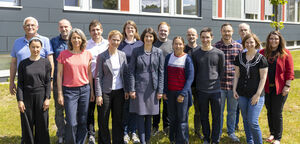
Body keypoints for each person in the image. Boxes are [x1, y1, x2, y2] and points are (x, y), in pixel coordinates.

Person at [57, 28, 94, 144]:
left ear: (82, 40)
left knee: (83, 120)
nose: (76, 40)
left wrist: (92, 91)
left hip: (85, 90)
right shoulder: (63, 54)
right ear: (70, 40)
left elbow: (89, 73)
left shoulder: (87, 54)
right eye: (74, 38)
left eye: (78, 38)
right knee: (72, 122)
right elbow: (59, 74)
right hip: (69, 91)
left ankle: (80, 142)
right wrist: (60, 93)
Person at [128, 27, 164, 144]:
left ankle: (147, 139)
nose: (148, 38)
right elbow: (131, 71)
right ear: (143, 38)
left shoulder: (158, 52)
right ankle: (142, 140)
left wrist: (160, 90)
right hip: (139, 88)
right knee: (140, 114)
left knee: (149, 115)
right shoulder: (136, 51)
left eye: (151, 36)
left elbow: (161, 72)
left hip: (152, 88)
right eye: (146, 36)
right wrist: (132, 89)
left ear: (154, 38)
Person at [233, 33, 268, 144]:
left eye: (251, 42)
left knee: (253, 121)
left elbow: (263, 78)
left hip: (256, 95)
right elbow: (237, 75)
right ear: (244, 44)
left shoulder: (261, 59)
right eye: (247, 42)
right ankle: (250, 141)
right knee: (246, 120)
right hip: (242, 94)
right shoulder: (239, 57)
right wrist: (234, 90)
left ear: (256, 43)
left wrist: (257, 94)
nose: (249, 44)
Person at [261, 31, 294, 144]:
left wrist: (287, 86)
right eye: (271, 38)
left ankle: (278, 138)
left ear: (280, 40)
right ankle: (272, 133)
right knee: (269, 111)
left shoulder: (285, 53)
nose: (273, 41)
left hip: (280, 88)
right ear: (268, 40)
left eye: (276, 39)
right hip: (266, 88)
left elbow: (290, 72)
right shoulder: (262, 52)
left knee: (277, 112)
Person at [193, 27, 225, 144]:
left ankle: (215, 139)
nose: (205, 39)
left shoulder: (219, 53)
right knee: (204, 116)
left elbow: (221, 71)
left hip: (216, 90)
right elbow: (195, 72)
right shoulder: (196, 54)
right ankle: (207, 137)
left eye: (207, 37)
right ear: (200, 38)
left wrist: (216, 83)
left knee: (217, 117)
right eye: (203, 37)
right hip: (201, 90)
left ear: (212, 38)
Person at [95, 30, 127, 144]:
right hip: (105, 92)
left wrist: (126, 90)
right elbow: (98, 76)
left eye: (118, 40)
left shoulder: (122, 55)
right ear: (109, 40)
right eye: (114, 39)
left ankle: (118, 141)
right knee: (103, 119)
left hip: (119, 91)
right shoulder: (102, 56)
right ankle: (105, 141)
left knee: (118, 119)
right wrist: (98, 95)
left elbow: (125, 74)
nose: (116, 42)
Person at [17, 37, 51, 144]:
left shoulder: (45, 62)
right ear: (29, 47)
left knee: (42, 124)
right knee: (27, 124)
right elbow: (20, 83)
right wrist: (20, 100)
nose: (35, 49)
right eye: (33, 47)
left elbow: (48, 82)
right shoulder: (23, 63)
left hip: (41, 96)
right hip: (27, 96)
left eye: (37, 47)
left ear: (41, 48)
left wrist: (47, 98)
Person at [10, 16, 54, 96]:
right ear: (24, 27)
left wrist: (50, 80)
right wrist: (11, 81)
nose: (30, 27)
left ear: (37, 27)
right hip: (23, 82)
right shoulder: (17, 42)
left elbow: (50, 62)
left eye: (33, 25)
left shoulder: (45, 41)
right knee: (23, 106)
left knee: (42, 107)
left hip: (41, 83)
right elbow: (13, 63)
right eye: (27, 25)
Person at [214, 23, 242, 142]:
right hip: (219, 85)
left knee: (232, 111)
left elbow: (241, 66)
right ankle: (218, 132)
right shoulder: (215, 46)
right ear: (221, 31)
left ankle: (231, 132)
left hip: (233, 86)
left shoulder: (238, 47)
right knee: (218, 112)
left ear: (232, 32)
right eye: (225, 31)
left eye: (229, 31)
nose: (227, 33)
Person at [164, 36, 194, 143]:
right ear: (172, 45)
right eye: (176, 44)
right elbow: (165, 76)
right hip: (170, 93)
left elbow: (190, 78)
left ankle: (182, 140)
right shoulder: (168, 57)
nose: (178, 46)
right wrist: (165, 91)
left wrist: (183, 94)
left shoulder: (187, 58)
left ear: (183, 45)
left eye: (180, 44)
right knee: (172, 118)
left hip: (182, 94)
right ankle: (173, 139)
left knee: (182, 119)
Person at [118, 20, 143, 144]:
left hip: (138, 81)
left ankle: (134, 131)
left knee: (136, 108)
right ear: (125, 30)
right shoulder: (120, 45)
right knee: (126, 108)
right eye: (128, 28)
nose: (130, 30)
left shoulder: (140, 44)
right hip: (124, 81)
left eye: (132, 28)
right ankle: (125, 132)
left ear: (135, 30)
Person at [86, 19, 109, 144]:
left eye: (98, 29)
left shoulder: (107, 44)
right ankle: (90, 134)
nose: (96, 32)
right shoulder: (86, 44)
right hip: (89, 80)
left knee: (102, 110)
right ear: (90, 32)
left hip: (104, 81)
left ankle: (102, 133)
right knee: (89, 109)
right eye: (93, 30)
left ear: (102, 30)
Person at [50, 18, 72, 144]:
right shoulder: (53, 42)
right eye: (61, 27)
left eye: (66, 27)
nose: (64, 29)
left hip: (73, 82)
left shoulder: (76, 39)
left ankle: (71, 132)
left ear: (70, 27)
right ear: (59, 28)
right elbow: (50, 62)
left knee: (72, 109)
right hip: (58, 81)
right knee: (59, 109)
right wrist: (51, 79)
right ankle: (61, 134)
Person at [152, 21, 173, 135]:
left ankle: (166, 127)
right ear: (158, 31)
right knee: (156, 104)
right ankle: (155, 127)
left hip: (168, 79)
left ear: (168, 32)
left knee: (167, 105)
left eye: (165, 30)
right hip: (155, 79)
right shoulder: (153, 43)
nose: (163, 32)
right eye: (161, 30)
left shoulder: (171, 44)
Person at [184, 28, 203, 139]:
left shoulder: (201, 49)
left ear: (196, 36)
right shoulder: (183, 49)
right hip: (186, 85)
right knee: (184, 110)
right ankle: (184, 130)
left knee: (198, 110)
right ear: (187, 36)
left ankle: (197, 131)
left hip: (199, 85)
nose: (191, 37)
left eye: (193, 35)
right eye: (189, 34)